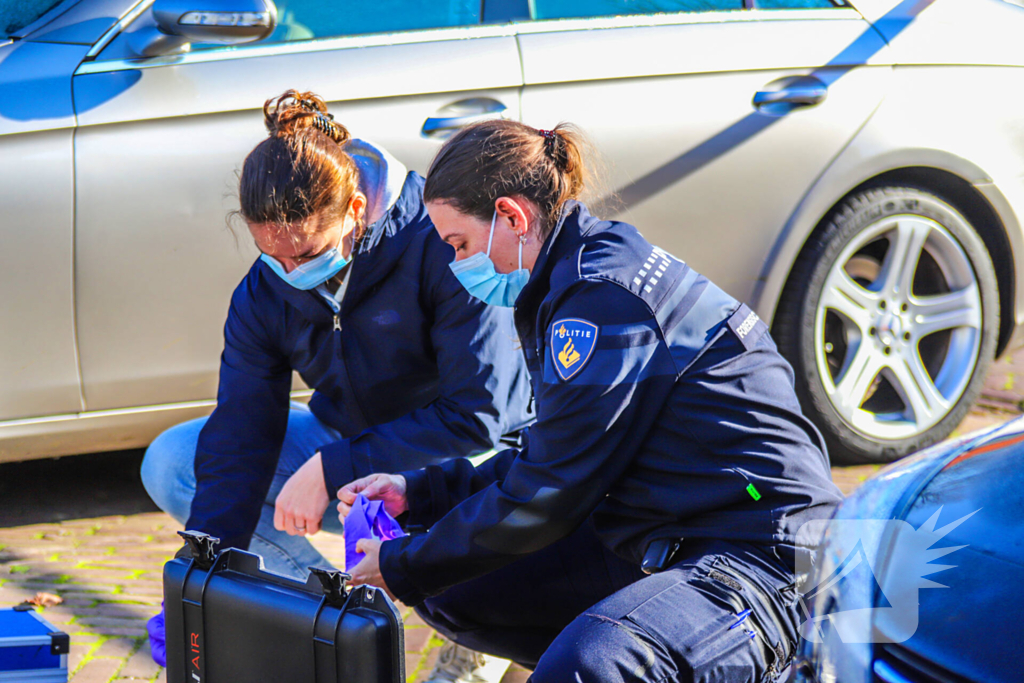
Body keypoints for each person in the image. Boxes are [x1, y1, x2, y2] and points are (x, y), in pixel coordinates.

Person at [338, 120, 845, 682]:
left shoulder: (600, 302)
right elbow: (552, 454)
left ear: (511, 216)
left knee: (590, 664)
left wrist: (403, 564)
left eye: (459, 244)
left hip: (767, 556)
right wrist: (420, 494)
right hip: (671, 526)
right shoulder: (575, 276)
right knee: (453, 587)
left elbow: (549, 492)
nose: (457, 265)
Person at [140, 92, 533, 680]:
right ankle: (333, 618)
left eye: (306, 252)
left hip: (469, 449)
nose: (290, 274)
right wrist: (199, 578)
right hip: (349, 442)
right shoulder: (264, 290)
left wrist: (331, 466)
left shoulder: (442, 242)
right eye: (270, 255)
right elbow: (242, 430)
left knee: (486, 486)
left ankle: (475, 624)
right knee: (174, 461)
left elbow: (482, 413)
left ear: (355, 209)